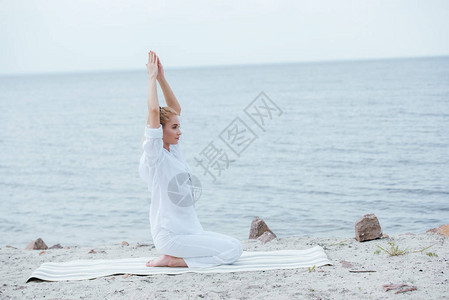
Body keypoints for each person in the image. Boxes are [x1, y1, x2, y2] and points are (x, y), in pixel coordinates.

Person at [138, 51, 243, 268]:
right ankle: (174, 261)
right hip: (171, 236)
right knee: (233, 251)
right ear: (159, 131)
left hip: (189, 233)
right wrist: (150, 78)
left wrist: (162, 78)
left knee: (234, 244)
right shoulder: (155, 155)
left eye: (179, 127)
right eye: (174, 128)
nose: (180, 132)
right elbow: (152, 111)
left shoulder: (173, 151)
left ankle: (174, 259)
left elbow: (175, 109)